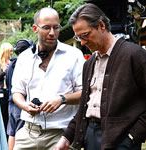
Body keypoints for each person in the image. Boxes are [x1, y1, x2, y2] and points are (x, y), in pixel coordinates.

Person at [54, 3, 146, 150]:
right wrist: (67, 136)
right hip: (90, 136)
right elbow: (85, 106)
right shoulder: (89, 64)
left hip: (122, 140)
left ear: (101, 25)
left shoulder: (134, 55)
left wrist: (132, 137)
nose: (83, 42)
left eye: (85, 35)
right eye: (78, 38)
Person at [11, 7, 85, 150]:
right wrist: (25, 106)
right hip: (28, 132)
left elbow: (85, 92)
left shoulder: (74, 55)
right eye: (46, 28)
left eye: (56, 27)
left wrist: (62, 99)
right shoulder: (24, 58)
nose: (52, 33)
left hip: (61, 134)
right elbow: (17, 92)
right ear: (35, 28)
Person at [6, 39, 33, 150]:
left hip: (11, 102)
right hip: (21, 102)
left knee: (11, 132)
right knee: (20, 131)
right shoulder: (24, 64)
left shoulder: (11, 64)